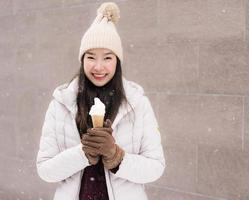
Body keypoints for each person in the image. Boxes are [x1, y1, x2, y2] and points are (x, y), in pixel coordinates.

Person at [36, 2, 165, 200]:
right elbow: (45, 170)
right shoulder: (61, 103)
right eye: (90, 57)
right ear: (82, 59)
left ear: (117, 61)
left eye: (107, 58)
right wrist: (82, 154)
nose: (98, 67)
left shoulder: (137, 103)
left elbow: (155, 168)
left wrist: (116, 157)